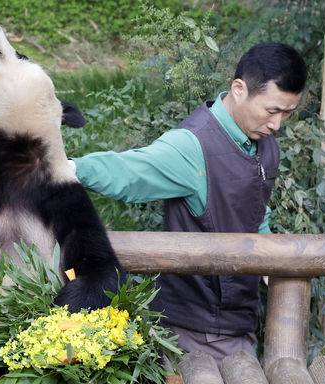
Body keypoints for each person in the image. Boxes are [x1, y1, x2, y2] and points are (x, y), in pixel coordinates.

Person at [69, 42, 307, 362]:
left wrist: (271, 258)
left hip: (239, 323)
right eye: (272, 110)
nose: (277, 124)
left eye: (287, 113)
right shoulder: (193, 146)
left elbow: (256, 212)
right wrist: (65, 169)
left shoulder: (266, 147)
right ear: (239, 89)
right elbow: (129, 171)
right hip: (196, 333)